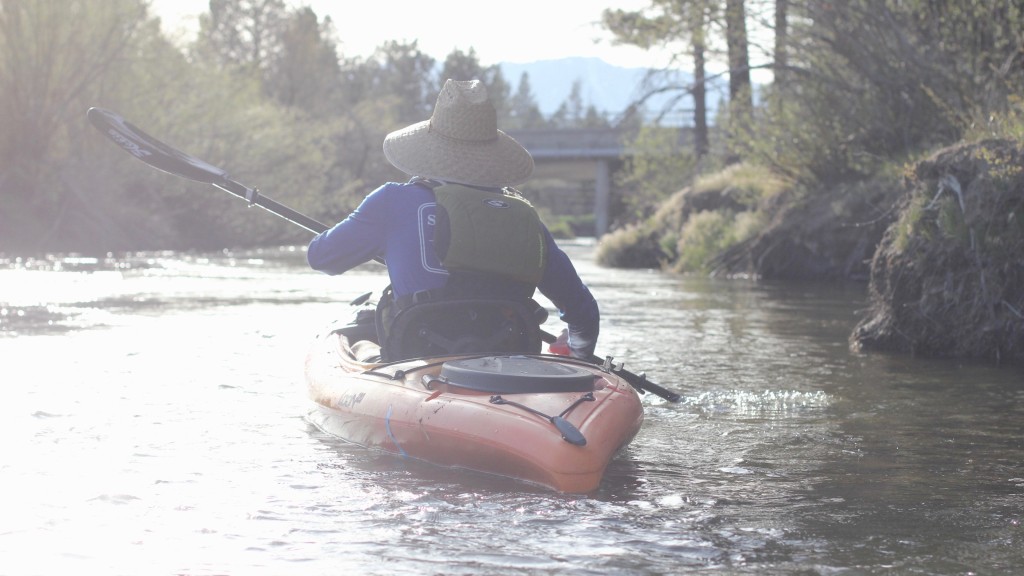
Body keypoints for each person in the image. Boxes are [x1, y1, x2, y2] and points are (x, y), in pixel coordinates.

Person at [307, 79, 598, 361]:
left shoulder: (392, 200)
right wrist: (577, 350)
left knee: (361, 340)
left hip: (418, 356)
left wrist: (384, 242)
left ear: (427, 150)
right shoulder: (525, 218)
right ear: (493, 157)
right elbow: (583, 311)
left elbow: (323, 258)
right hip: (509, 355)